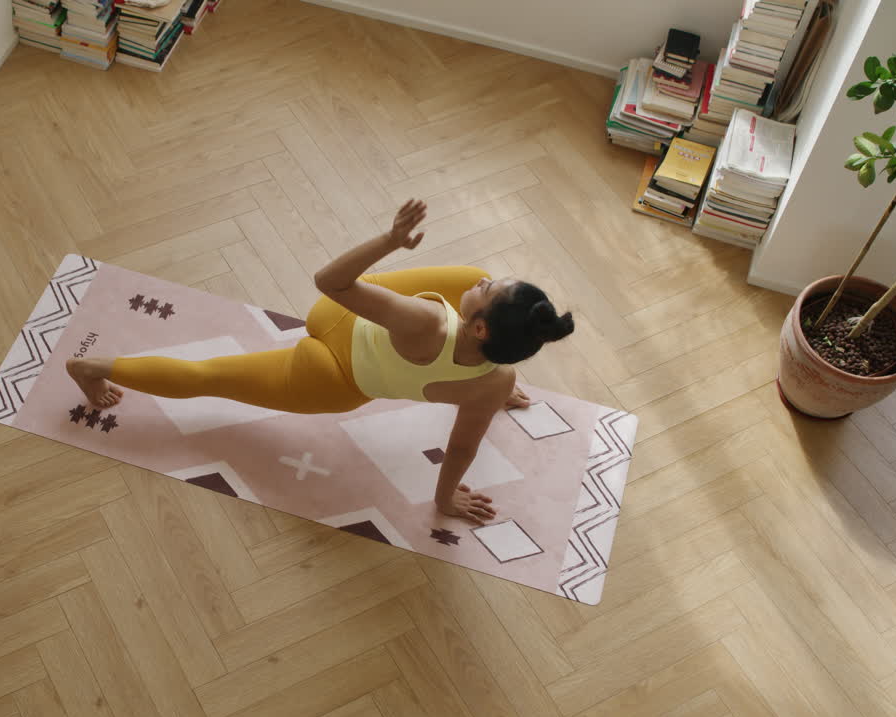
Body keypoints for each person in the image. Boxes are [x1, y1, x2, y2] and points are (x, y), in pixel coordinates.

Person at [67, 199, 574, 523]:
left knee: (208, 375)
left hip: (337, 325)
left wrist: (389, 242)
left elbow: (329, 282)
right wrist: (444, 500)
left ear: (480, 328)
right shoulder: (494, 381)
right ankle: (95, 369)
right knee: (210, 378)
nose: (483, 281)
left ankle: (91, 367)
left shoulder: (426, 320)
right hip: (336, 383)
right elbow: (461, 447)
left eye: (490, 290)